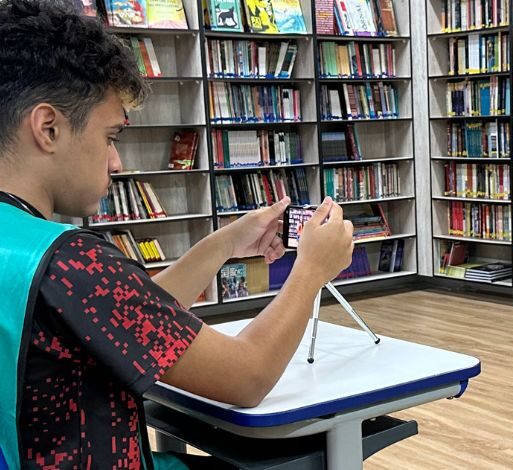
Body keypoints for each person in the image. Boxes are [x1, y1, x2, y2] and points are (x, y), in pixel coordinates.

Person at [0, 1, 354, 468]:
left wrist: (226, 242)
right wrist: (310, 270)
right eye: (110, 138)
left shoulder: (33, 255)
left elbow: (126, 315)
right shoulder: (71, 263)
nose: (115, 164)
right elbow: (246, 378)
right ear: (48, 128)